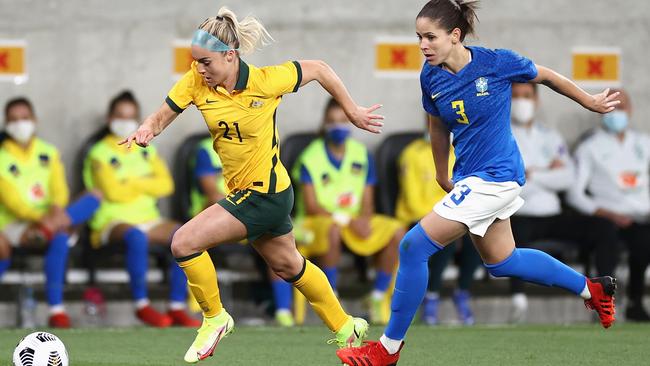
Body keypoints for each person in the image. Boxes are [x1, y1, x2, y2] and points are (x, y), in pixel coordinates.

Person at [337, 1, 620, 364]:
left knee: (412, 247)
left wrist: (589, 101)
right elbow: (437, 125)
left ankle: (387, 349)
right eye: (418, 37)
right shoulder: (431, 75)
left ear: (455, 36)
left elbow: (546, 76)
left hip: (497, 176)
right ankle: (591, 288)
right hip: (473, 177)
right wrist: (442, 171)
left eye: (430, 37)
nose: (423, 45)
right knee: (502, 261)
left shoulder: (496, 62)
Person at [121, 7, 384, 363]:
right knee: (289, 265)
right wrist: (147, 129)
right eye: (195, 61)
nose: (199, 69)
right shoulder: (196, 81)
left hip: (266, 193)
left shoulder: (266, 80)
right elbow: (163, 114)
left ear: (230, 56)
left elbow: (320, 69)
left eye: (206, 62)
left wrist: (351, 109)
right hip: (248, 194)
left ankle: (214, 317)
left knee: (183, 242)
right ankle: (344, 326)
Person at [271, 97, 403, 326]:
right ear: (324, 123)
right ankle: (332, 298)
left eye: (343, 120)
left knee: (397, 231)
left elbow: (368, 200)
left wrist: (362, 219)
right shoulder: (311, 157)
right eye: (332, 121)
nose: (338, 127)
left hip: (351, 221)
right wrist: (347, 221)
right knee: (332, 229)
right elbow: (312, 205)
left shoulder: (361, 154)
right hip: (316, 222)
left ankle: (377, 296)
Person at [83, 91, 200, 328]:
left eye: (130, 116)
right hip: (111, 221)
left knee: (184, 235)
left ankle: (177, 306)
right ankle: (142, 305)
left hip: (148, 219)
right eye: (119, 115)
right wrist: (145, 181)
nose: (124, 121)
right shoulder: (99, 153)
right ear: (109, 119)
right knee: (136, 237)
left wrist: (130, 182)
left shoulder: (146, 147)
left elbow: (166, 185)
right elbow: (113, 193)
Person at [508, 82, 621, 322]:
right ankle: (518, 302)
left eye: (526, 96)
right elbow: (509, 185)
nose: (521, 102)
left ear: (536, 101)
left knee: (604, 228)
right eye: (516, 96)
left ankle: (603, 295)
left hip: (553, 212)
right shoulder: (501, 135)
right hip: (518, 213)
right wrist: (548, 171)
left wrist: (533, 174)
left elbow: (568, 178)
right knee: (510, 239)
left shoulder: (551, 136)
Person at [0, 97, 101, 327]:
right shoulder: (1, 156)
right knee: (61, 233)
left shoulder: (48, 151)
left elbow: (59, 189)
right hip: (13, 223)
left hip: (50, 219)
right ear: (6, 123)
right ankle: (56, 308)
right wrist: (46, 219)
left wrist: (56, 209)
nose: (20, 124)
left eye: (24, 118)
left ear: (34, 120)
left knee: (94, 197)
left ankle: (56, 310)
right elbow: (12, 202)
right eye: (13, 120)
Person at [567, 89, 650, 322]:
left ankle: (635, 302)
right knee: (605, 238)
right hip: (604, 217)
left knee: (644, 241)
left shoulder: (644, 143)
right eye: (612, 106)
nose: (618, 112)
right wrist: (607, 213)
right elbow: (575, 194)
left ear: (631, 110)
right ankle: (603, 301)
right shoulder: (589, 147)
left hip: (640, 217)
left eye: (622, 106)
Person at [396, 119, 481, 325]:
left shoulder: (464, 153)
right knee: (445, 236)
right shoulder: (412, 154)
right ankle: (431, 295)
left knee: (480, 232)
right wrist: (448, 219)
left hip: (455, 217)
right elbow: (412, 201)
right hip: (417, 218)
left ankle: (462, 291)